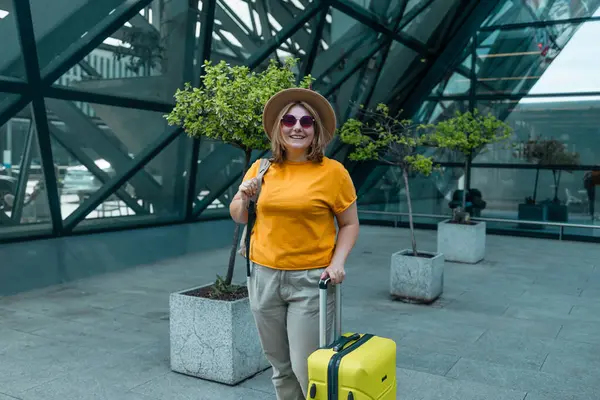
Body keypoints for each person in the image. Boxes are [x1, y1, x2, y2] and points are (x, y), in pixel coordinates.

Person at [229, 87, 360, 400]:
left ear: (316, 130)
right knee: (280, 368)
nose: (297, 126)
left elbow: (350, 224)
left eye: (306, 121)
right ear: (279, 128)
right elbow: (238, 216)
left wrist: (337, 262)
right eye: (288, 120)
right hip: (262, 277)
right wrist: (246, 195)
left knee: (308, 370)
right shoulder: (262, 169)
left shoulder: (333, 173)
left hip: (310, 281)